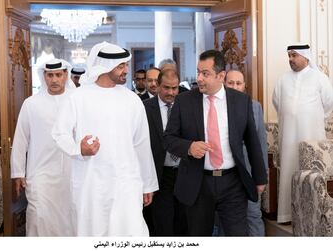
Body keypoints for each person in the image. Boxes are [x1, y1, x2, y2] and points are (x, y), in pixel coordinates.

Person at [52, 41, 159, 236]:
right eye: (121, 66)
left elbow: (142, 144)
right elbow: (59, 133)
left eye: (126, 64)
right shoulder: (78, 97)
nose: (126, 69)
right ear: (104, 66)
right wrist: (79, 149)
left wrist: (148, 183)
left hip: (126, 183)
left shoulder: (132, 100)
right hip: (91, 184)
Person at [164, 50, 267, 236]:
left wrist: (260, 178)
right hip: (198, 183)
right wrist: (189, 147)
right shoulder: (183, 101)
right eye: (198, 72)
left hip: (233, 183)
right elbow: (168, 139)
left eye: (205, 73)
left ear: (221, 76)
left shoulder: (241, 101)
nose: (199, 78)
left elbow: (252, 142)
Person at [10, 58, 75, 236]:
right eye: (50, 75)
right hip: (39, 173)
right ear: (44, 77)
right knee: (38, 217)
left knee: (69, 222)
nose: (54, 80)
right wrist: (17, 173)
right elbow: (20, 139)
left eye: (58, 75)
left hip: (71, 174)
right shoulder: (31, 104)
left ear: (65, 75)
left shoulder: (76, 101)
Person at [272, 43, 333, 223]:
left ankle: (310, 217)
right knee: (290, 169)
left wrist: (309, 116)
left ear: (305, 57)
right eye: (289, 56)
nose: (290, 59)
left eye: (294, 55)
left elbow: (328, 103)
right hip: (288, 136)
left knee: (310, 172)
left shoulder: (319, 78)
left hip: (311, 134)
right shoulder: (283, 79)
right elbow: (277, 102)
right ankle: (287, 215)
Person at [144, 69, 188, 236]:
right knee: (163, 224)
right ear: (158, 86)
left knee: (183, 223)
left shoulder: (187, 105)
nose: (171, 92)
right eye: (166, 88)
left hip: (184, 173)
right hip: (160, 175)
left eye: (174, 88)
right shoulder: (146, 108)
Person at [225, 69, 268, 236]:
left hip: (250, 171)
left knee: (253, 214)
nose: (235, 86)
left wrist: (262, 174)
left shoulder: (255, 107)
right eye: (231, 82)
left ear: (244, 86)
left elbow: (260, 143)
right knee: (225, 218)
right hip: (226, 173)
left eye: (238, 83)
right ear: (224, 83)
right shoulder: (216, 106)